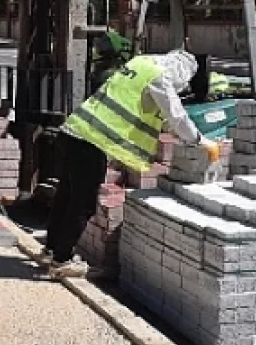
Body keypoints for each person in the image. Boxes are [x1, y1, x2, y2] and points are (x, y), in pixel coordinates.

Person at [43, 49, 220, 279]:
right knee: (83, 203)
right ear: (182, 73)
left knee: (65, 196)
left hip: (73, 130)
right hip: (90, 141)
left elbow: (146, 109)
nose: (180, 88)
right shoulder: (160, 76)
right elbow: (176, 115)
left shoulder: (141, 64)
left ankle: (51, 250)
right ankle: (61, 260)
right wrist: (199, 140)